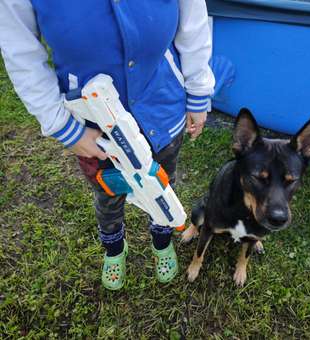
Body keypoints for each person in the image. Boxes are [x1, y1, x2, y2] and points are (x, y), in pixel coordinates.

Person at [0, 0, 215, 290]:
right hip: (94, 125)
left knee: (162, 185)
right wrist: (64, 128)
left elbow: (193, 16)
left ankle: (161, 242)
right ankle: (114, 248)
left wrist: (198, 89)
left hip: (162, 108)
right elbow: (21, 53)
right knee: (107, 193)